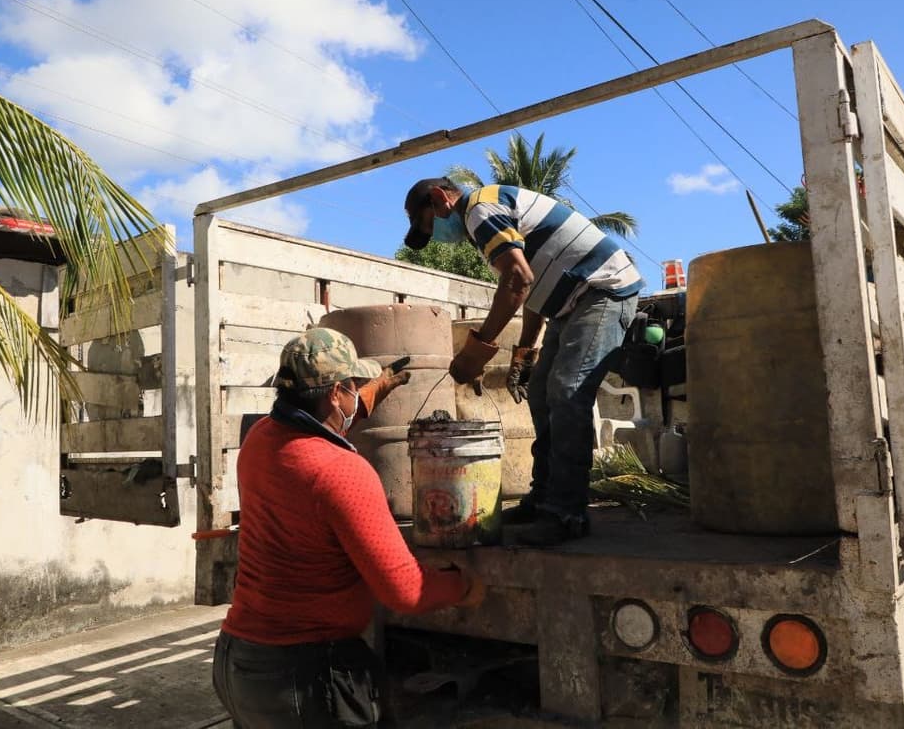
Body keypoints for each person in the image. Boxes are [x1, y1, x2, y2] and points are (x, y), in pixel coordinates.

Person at [213, 327, 485, 728]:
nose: (359, 392)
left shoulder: (259, 439)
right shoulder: (342, 471)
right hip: (304, 679)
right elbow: (405, 591)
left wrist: (372, 393)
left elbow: (313, 426)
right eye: (354, 386)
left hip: (238, 664)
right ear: (336, 392)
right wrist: (462, 586)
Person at [403, 177, 641, 546]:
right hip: (570, 304)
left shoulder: (480, 209)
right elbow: (534, 293)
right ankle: (543, 500)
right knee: (541, 394)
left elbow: (518, 280)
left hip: (602, 291)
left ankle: (567, 513)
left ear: (439, 198)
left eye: (428, 224)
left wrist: (478, 349)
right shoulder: (485, 219)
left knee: (567, 391)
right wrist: (524, 354)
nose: (435, 235)